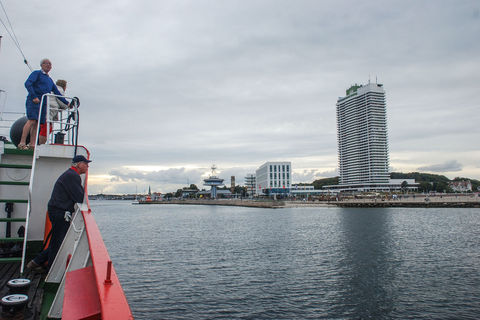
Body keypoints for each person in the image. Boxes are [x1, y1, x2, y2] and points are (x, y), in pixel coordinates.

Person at [27, 155, 91, 271]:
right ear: (78, 164)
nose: (87, 166)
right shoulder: (72, 176)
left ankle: (36, 262)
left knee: (57, 240)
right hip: (60, 212)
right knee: (58, 242)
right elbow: (80, 197)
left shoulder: (71, 175)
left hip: (58, 211)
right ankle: (51, 269)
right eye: (85, 163)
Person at [18, 59, 69, 150]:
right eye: (46, 63)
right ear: (41, 65)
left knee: (37, 123)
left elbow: (57, 93)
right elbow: (28, 83)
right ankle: (22, 142)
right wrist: (34, 96)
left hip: (44, 103)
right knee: (32, 120)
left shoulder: (49, 80)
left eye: (50, 64)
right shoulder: (36, 73)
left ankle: (33, 145)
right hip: (34, 101)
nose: (48, 65)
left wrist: (68, 103)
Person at [38, 79, 69, 145]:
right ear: (64, 86)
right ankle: (40, 145)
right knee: (45, 129)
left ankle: (37, 144)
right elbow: (61, 102)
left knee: (45, 128)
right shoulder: (60, 90)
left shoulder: (52, 89)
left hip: (44, 110)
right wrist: (68, 106)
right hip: (49, 112)